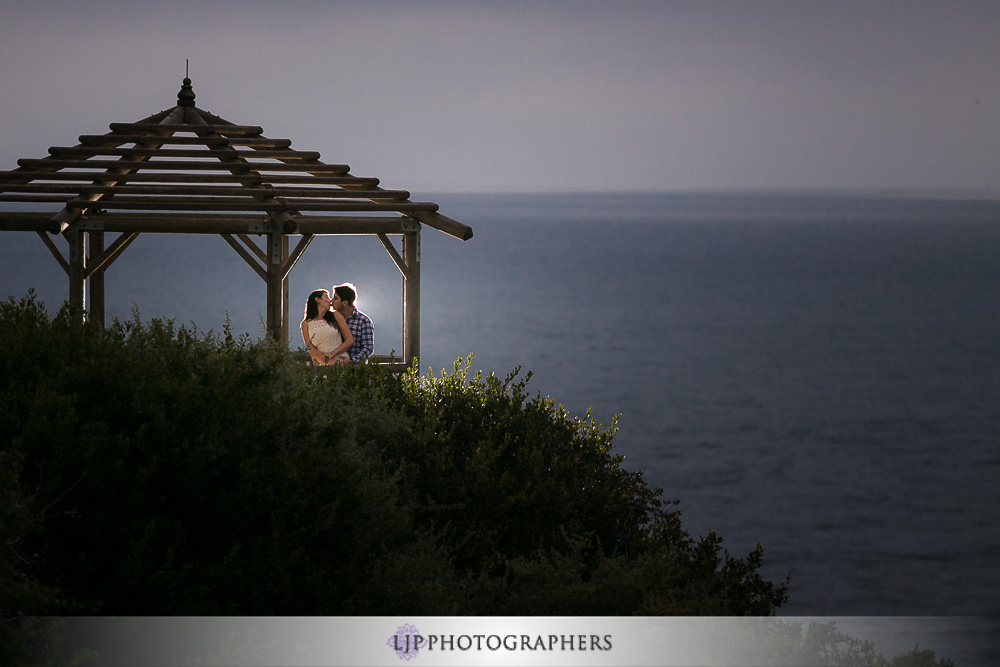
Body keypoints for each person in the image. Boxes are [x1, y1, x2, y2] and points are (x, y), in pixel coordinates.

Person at [301, 288, 353, 366]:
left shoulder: (336, 315)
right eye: (327, 297)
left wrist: (332, 354)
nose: (330, 301)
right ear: (318, 299)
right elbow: (310, 348)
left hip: (341, 360)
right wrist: (329, 362)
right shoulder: (305, 324)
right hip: (322, 364)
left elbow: (349, 340)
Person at [331, 282, 374, 363]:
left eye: (335, 298)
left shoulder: (363, 321)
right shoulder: (331, 320)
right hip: (331, 367)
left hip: (354, 371)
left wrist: (352, 361)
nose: (331, 301)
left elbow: (368, 347)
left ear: (344, 303)